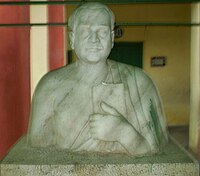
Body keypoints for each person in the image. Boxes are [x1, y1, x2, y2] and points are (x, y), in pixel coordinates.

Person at [27, 2, 168, 156]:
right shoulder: (49, 86)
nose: (94, 39)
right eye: (85, 31)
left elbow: (158, 151)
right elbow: (37, 151)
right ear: (72, 38)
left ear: (112, 38)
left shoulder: (139, 82)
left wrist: (123, 133)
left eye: (102, 31)